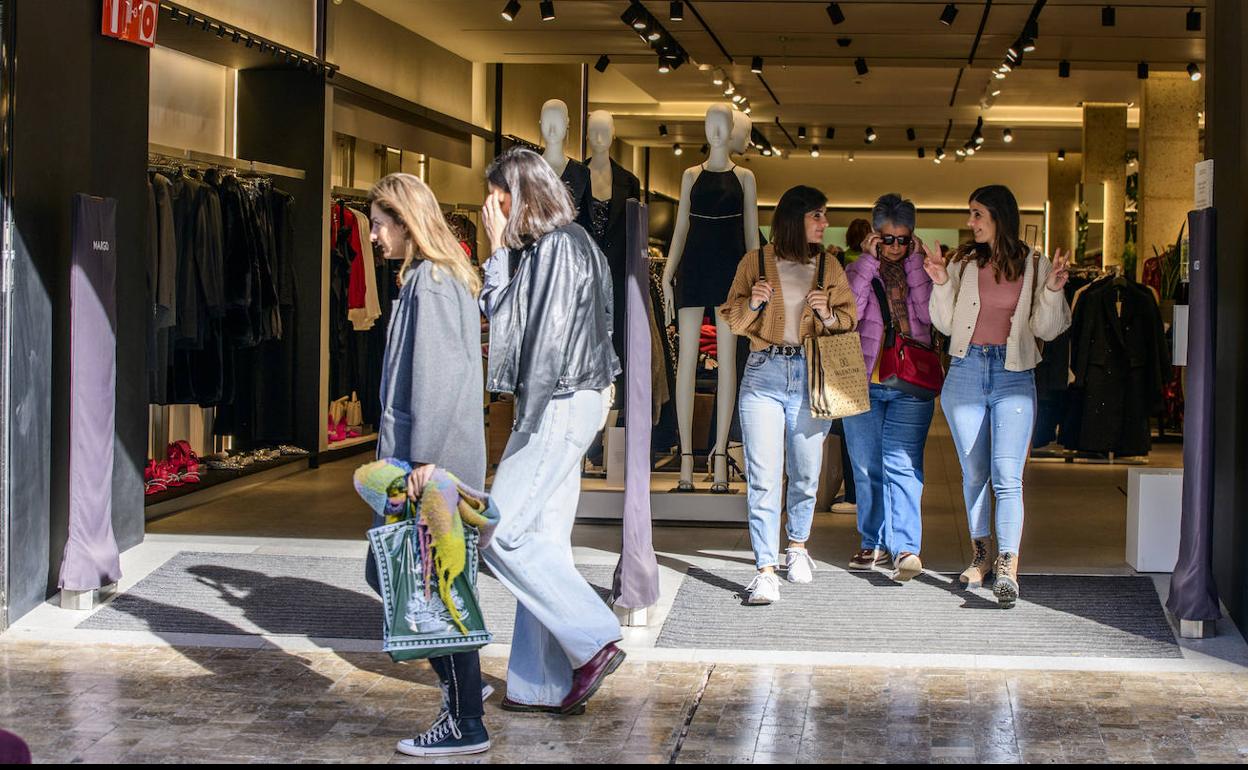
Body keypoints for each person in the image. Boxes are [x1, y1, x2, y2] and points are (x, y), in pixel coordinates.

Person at [478, 147, 625, 714]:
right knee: (540, 542)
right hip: (571, 397)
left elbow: (520, 328)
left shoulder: (558, 247)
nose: (492, 208)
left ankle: (593, 636)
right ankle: (538, 683)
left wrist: (494, 251)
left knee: (498, 531)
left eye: (498, 197)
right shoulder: (566, 244)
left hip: (558, 399)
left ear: (519, 196)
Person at [367, 173, 492, 756]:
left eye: (379, 223)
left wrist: (426, 463)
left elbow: (440, 379)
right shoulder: (429, 279)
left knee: (435, 589)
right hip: (427, 461)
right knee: (415, 580)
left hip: (431, 465)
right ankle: (464, 696)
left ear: (406, 222)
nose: (371, 235)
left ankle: (465, 718)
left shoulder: (433, 284)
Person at [925, 184, 1072, 608]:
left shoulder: (1036, 264)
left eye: (977, 215)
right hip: (967, 371)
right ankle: (982, 555)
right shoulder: (963, 263)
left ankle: (1008, 566)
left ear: (999, 217)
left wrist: (1053, 290)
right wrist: (938, 283)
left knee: (1008, 477)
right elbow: (948, 324)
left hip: (1013, 376)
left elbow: (1047, 329)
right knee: (974, 475)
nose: (970, 223)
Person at [720, 185, 857, 605]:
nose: (825, 223)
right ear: (796, 218)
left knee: (805, 472)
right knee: (762, 477)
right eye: (818, 215)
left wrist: (828, 313)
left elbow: (848, 320)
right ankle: (764, 570)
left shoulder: (829, 266)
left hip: (809, 375)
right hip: (763, 374)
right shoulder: (755, 262)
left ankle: (797, 546)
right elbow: (732, 318)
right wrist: (757, 304)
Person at [842, 194, 935, 581]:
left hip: (911, 382)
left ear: (912, 239)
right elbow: (850, 313)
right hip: (861, 384)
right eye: (887, 239)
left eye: (902, 239)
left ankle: (906, 549)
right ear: (874, 237)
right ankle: (873, 540)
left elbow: (930, 315)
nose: (894, 247)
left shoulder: (925, 270)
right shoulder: (855, 269)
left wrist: (916, 263)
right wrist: (866, 263)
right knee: (866, 468)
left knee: (902, 464)